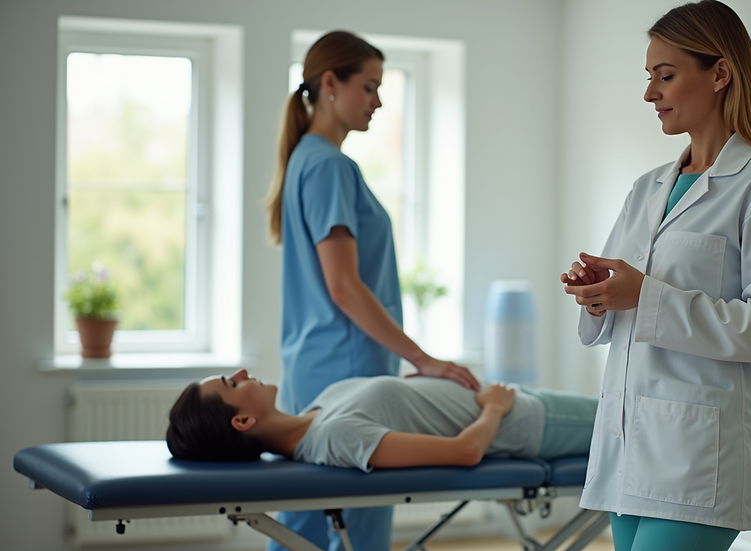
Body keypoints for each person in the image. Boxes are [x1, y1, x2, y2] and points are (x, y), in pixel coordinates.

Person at [559, 2, 751, 549]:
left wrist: (646, 295)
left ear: (720, 74)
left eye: (665, 75)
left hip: (700, 456)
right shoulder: (647, 187)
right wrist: (598, 295)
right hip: (627, 445)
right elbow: (626, 298)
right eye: (649, 77)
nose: (650, 94)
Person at [264, 31, 479, 551]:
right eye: (369, 86)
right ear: (330, 84)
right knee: (353, 531)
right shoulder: (329, 166)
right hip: (346, 368)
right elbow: (344, 286)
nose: (378, 101)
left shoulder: (306, 160)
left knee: (304, 526)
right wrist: (423, 359)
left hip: (316, 366)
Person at [166, 369, 598, 469]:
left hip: (522, 403)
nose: (243, 372)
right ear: (242, 421)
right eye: (231, 383)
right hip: (533, 422)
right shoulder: (334, 437)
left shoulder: (316, 413)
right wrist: (495, 408)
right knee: (637, 420)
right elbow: (465, 452)